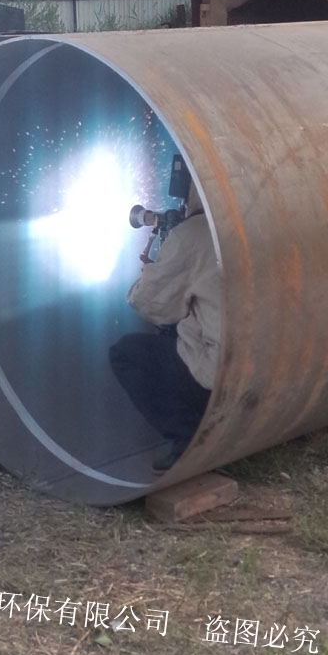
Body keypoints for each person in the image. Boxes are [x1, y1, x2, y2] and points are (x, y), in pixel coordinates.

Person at [109, 183, 221, 473]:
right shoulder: (246, 224)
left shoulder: (193, 234)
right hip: (265, 367)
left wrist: (151, 270)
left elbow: (152, 305)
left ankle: (190, 439)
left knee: (126, 354)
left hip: (219, 375)